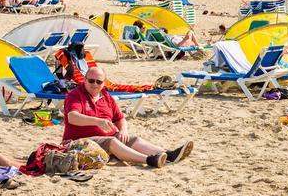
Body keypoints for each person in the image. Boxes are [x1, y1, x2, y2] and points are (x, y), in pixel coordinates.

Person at [62, 67, 193, 167]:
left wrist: (123, 131)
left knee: (132, 139)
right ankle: (149, 160)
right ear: (84, 80)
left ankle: (170, 154)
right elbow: (72, 117)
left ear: (103, 83)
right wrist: (98, 122)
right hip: (78, 142)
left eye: (99, 81)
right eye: (91, 80)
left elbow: (120, 118)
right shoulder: (76, 95)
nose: (95, 84)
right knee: (112, 141)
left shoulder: (106, 97)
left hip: (105, 139)